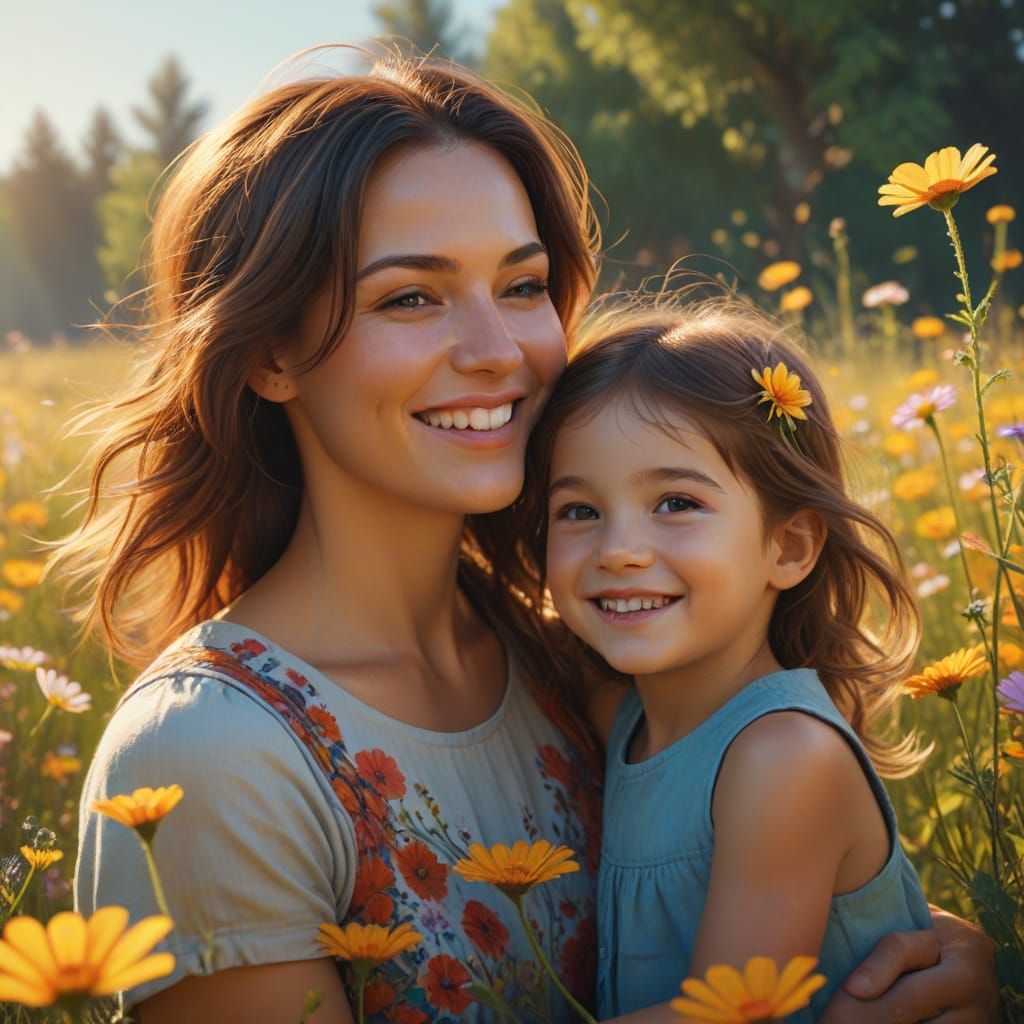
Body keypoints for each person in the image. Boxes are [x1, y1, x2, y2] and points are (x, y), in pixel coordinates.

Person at [58, 50, 997, 1023]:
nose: (499, 350)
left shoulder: (573, 659)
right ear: (270, 353)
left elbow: (753, 880)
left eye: (521, 285)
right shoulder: (211, 757)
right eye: (411, 297)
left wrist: (929, 953)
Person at [516, 298, 950, 1019]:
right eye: (580, 512)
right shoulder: (625, 715)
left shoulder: (783, 756)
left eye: (677, 503)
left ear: (789, 547)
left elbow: (728, 1016)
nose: (618, 549)